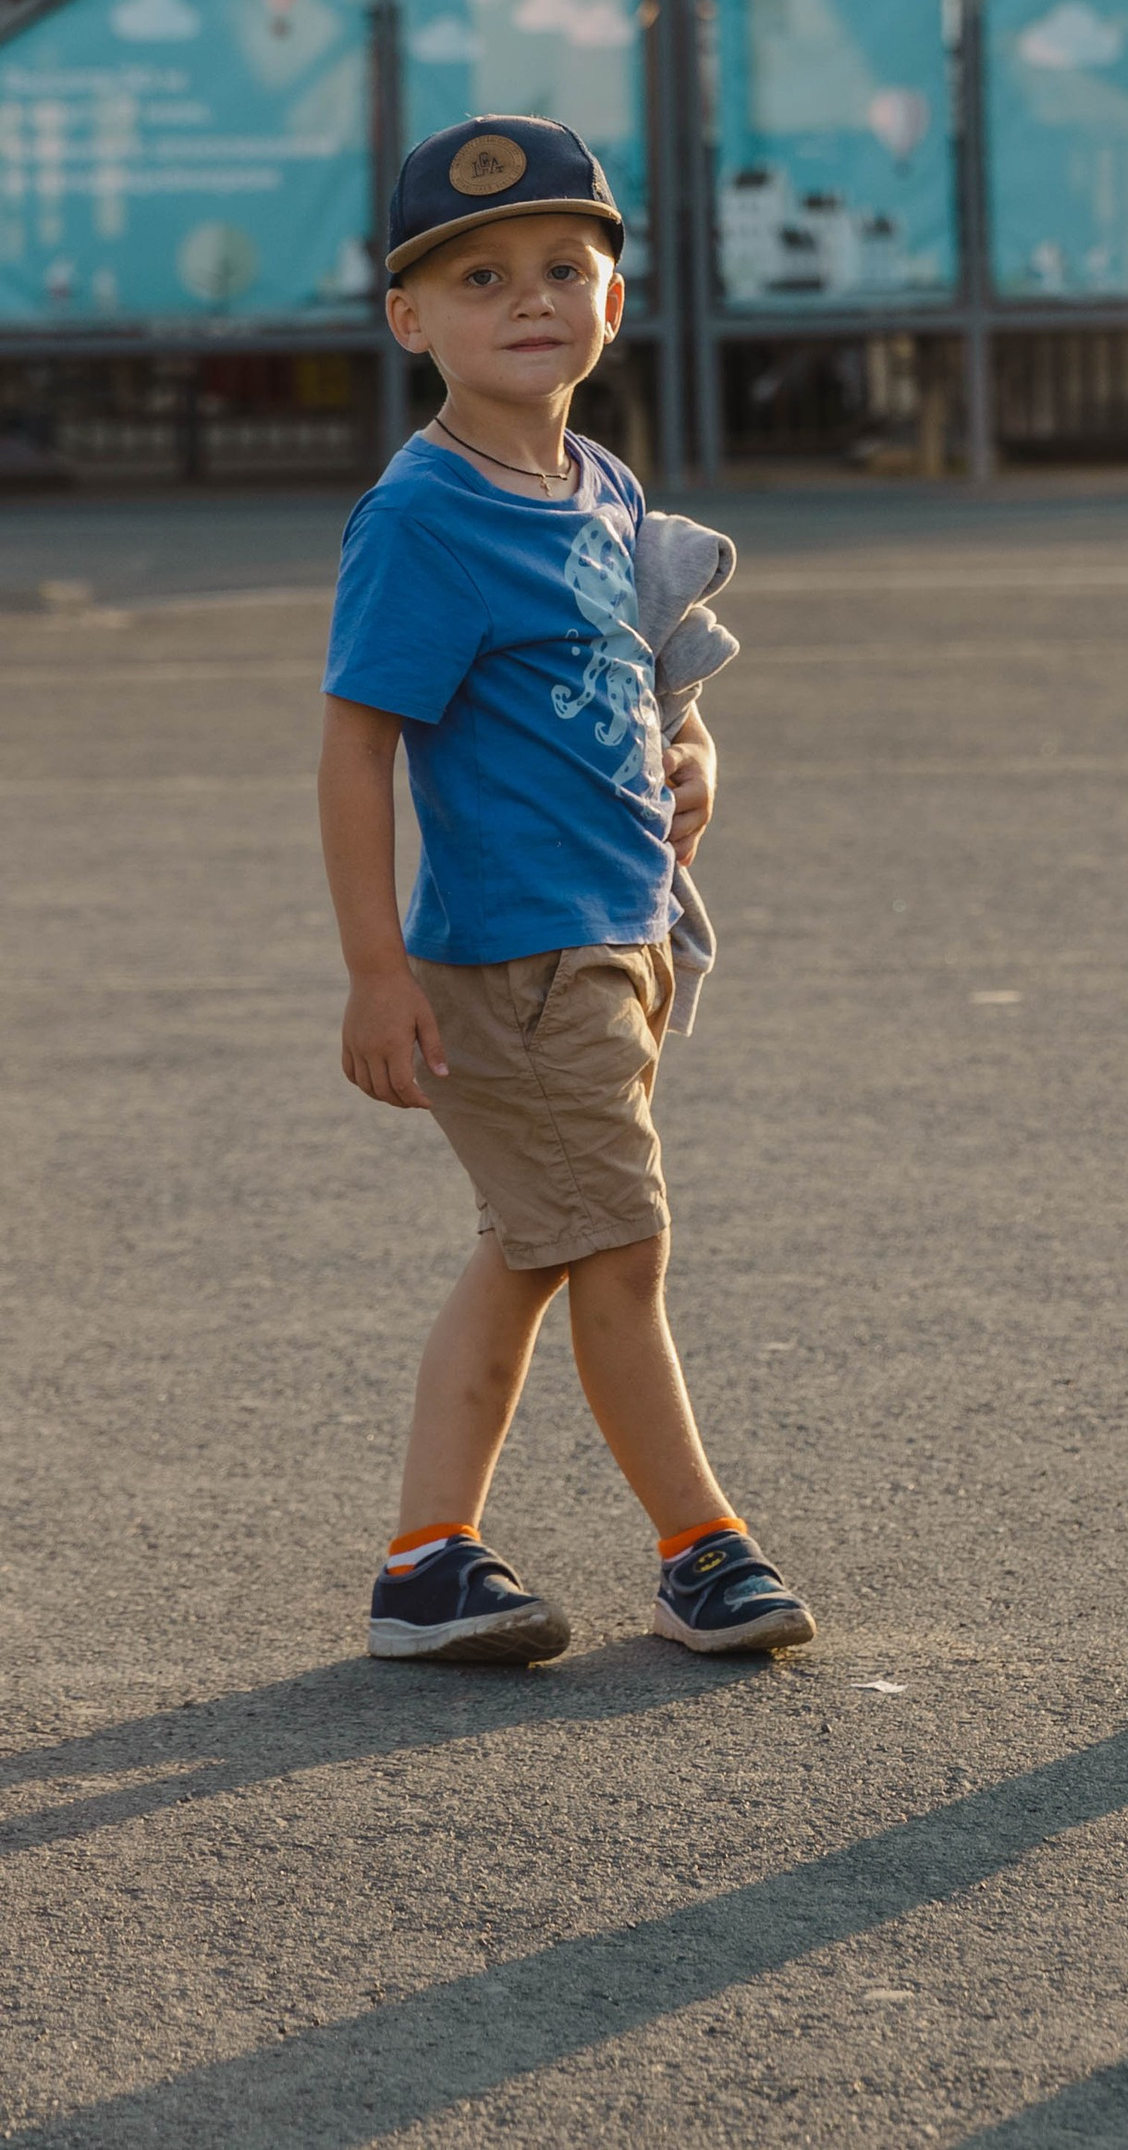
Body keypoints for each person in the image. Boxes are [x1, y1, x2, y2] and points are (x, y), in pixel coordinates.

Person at [319, 114, 813, 1666]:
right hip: (518, 962)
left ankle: (426, 1563)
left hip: (614, 946)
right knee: (620, 1246)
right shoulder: (424, 518)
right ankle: (700, 1548)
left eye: (561, 265)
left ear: (615, 292)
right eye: (477, 278)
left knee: (537, 1249)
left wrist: (692, 742)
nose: (527, 299)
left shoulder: (595, 480)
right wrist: (376, 972)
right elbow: (355, 752)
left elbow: (638, 670)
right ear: (411, 322)